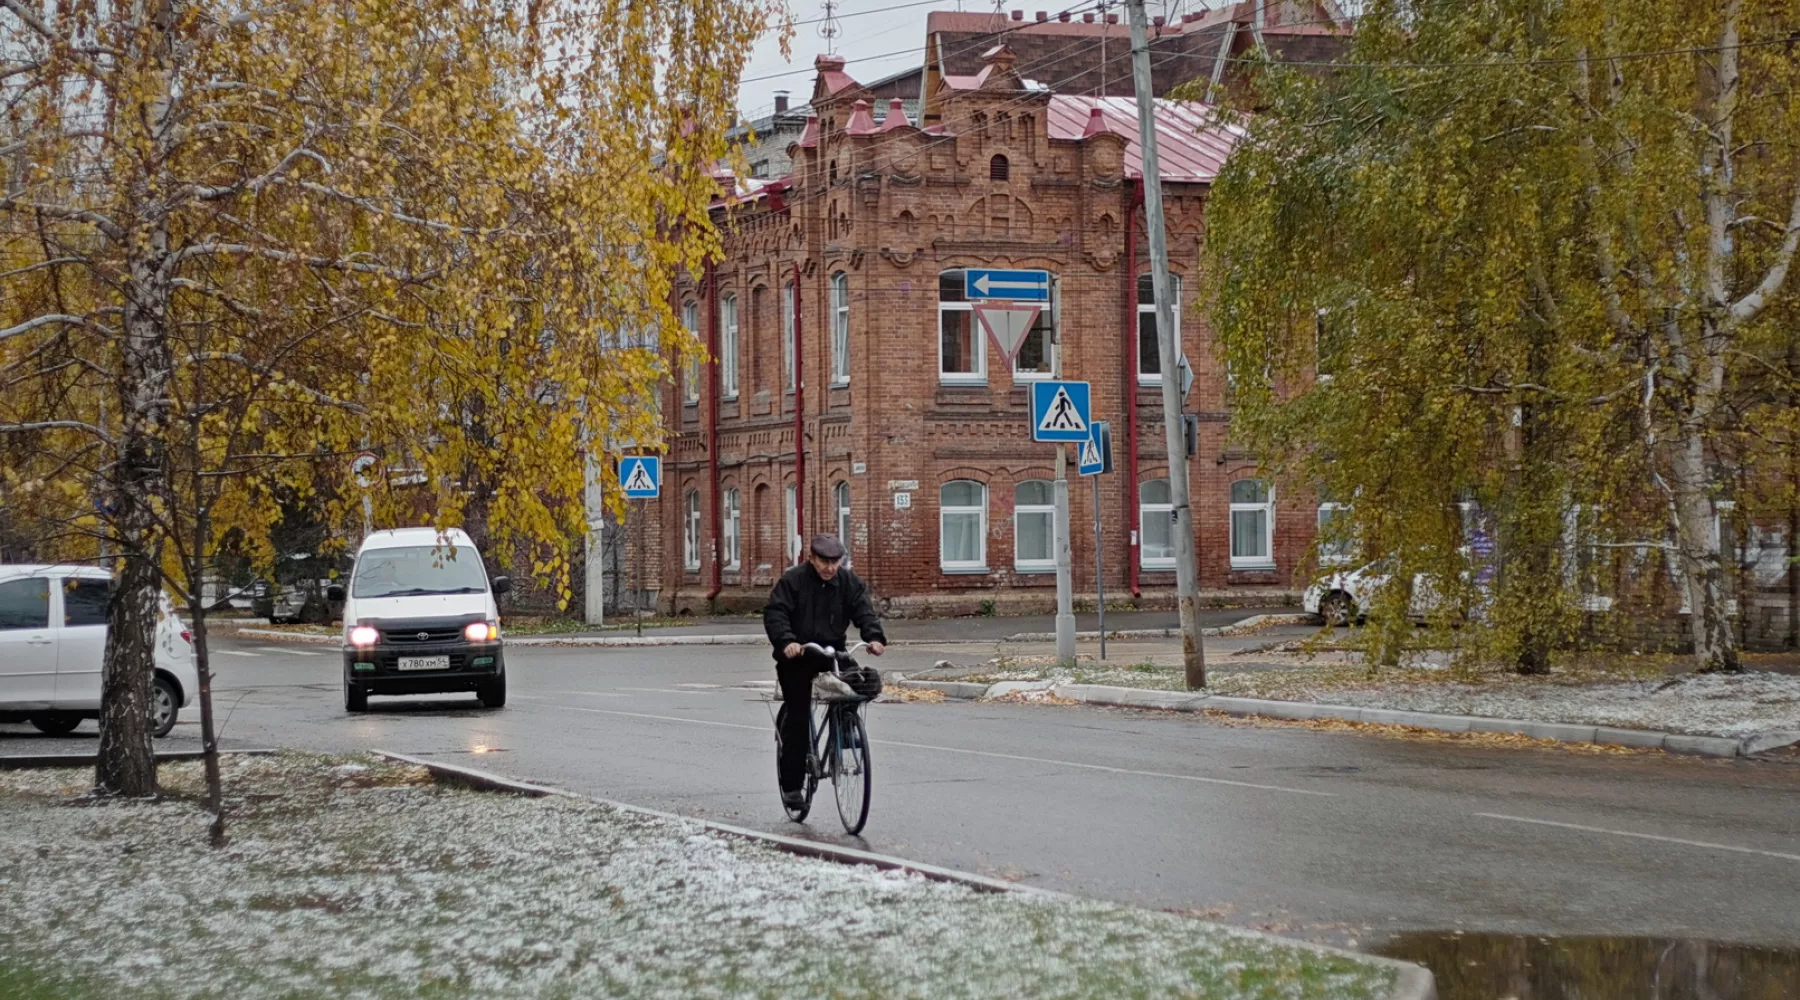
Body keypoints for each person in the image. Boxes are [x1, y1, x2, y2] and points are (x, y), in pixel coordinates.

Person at [763, 533, 886, 809]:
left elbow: (863, 611)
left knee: (863, 683)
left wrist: (874, 637)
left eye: (835, 562)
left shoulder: (848, 582)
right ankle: (792, 787)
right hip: (799, 655)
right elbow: (775, 613)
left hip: (832, 652)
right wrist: (787, 642)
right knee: (798, 716)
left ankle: (845, 723)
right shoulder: (793, 581)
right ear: (812, 558)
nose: (830, 568)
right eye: (824, 562)